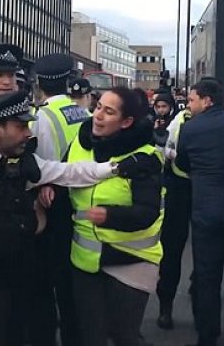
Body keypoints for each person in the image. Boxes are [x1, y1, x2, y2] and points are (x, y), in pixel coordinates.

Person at [0, 90, 123, 346]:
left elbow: (71, 173)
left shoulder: (24, 162)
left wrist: (118, 168)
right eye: (20, 126)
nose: (28, 133)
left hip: (5, 273)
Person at [66, 87, 164, 346]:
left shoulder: (144, 158)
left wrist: (110, 215)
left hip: (130, 261)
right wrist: (46, 191)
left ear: (127, 121)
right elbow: (62, 175)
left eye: (109, 112)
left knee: (124, 336)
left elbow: (148, 212)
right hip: (85, 260)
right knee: (92, 336)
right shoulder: (79, 142)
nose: (98, 115)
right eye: (98, 107)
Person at [175, 78, 224, 346]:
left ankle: (207, 336)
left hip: (205, 212)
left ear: (207, 100)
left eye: (193, 99)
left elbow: (183, 164)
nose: (189, 104)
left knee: (207, 278)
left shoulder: (190, 129)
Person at [30, 53, 91, 345]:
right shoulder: (86, 114)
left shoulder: (41, 117)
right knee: (75, 285)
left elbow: (34, 164)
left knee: (47, 281)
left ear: (39, 83)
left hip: (52, 199)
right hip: (84, 200)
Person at [156, 100, 192, 330]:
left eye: (192, 100)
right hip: (205, 193)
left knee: (171, 252)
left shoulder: (182, 120)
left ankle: (165, 308)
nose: (189, 104)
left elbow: (166, 151)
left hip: (179, 191)